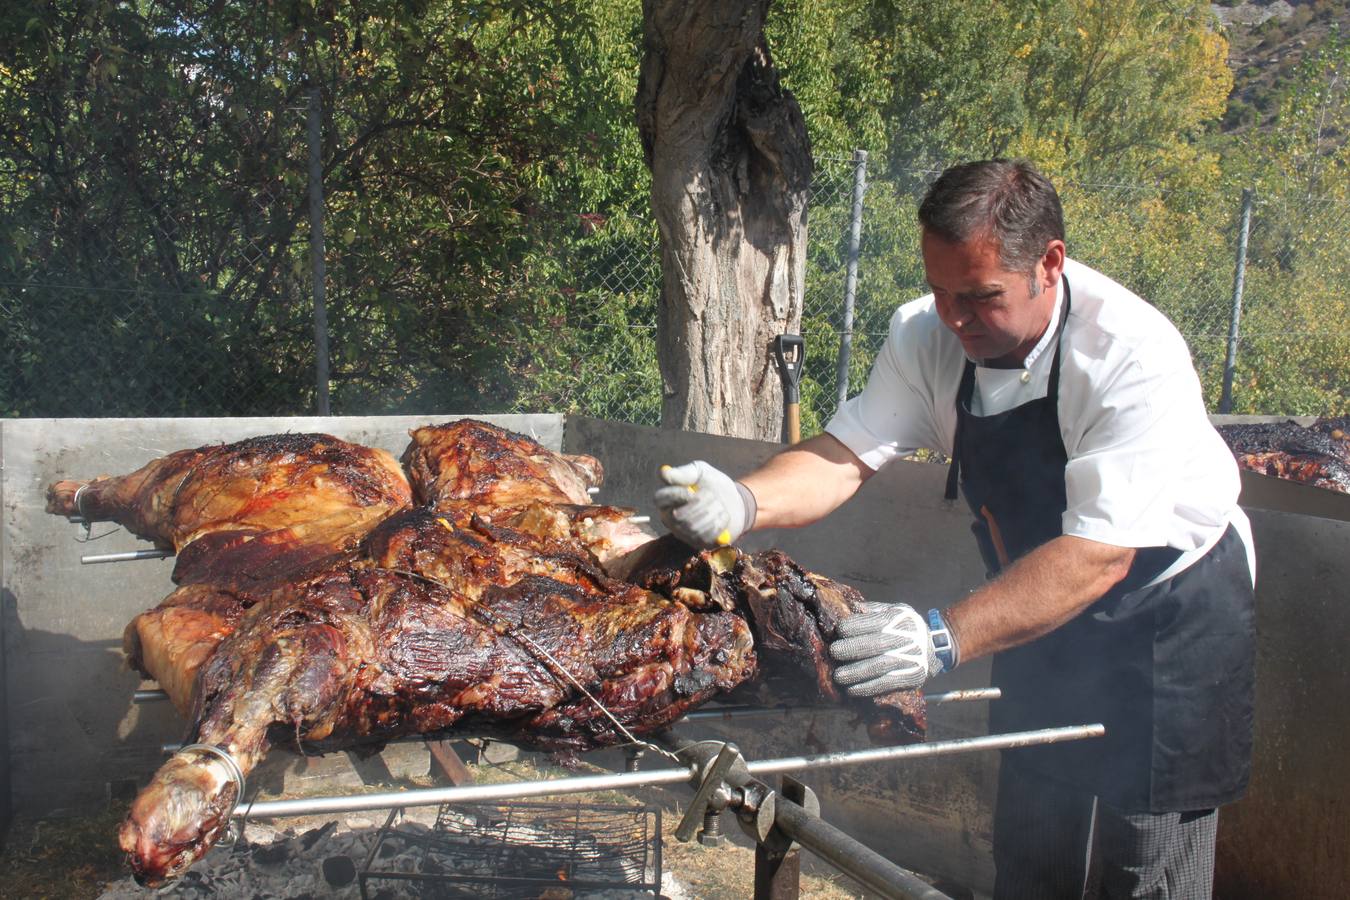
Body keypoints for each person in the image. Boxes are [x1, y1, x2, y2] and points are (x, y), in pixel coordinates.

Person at [653, 159, 1255, 899]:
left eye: (980, 297)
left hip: (1171, 612)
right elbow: (843, 458)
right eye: (940, 293)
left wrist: (940, 638)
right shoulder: (924, 333)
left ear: (1050, 265)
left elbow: (1099, 555)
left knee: (1145, 866)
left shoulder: (1131, 356)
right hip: (1039, 600)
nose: (954, 318)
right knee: (1032, 845)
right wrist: (742, 502)